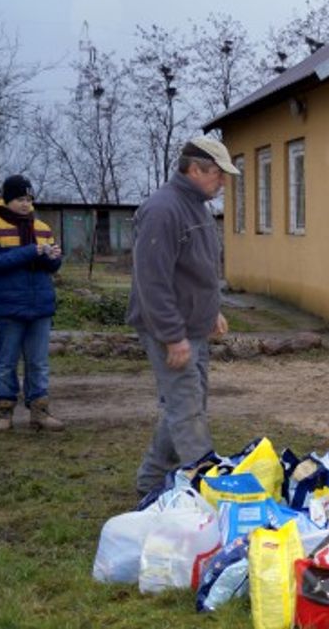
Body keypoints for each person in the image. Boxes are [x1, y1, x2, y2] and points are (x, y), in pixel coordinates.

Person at [128, 136, 237, 498]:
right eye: (218, 175)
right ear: (195, 169)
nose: (223, 182)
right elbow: (152, 281)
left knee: (186, 405)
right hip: (169, 330)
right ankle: (204, 492)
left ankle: (150, 480)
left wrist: (212, 310)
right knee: (187, 410)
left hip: (194, 327)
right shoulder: (163, 210)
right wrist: (172, 336)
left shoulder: (197, 207)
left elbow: (196, 269)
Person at [0, 175, 65, 432]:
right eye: (20, 199)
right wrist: (31, 251)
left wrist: (53, 257)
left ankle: (39, 410)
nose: (26, 204)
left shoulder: (42, 228)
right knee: (6, 362)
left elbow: (52, 266)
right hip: (7, 307)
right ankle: (4, 413)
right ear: (7, 200)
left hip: (39, 306)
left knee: (38, 362)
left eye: (29, 199)